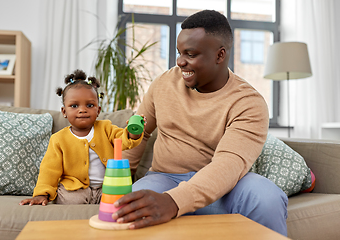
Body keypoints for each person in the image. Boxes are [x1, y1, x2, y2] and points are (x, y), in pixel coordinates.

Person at [111, 10, 288, 236]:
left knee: (267, 198)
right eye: (179, 52)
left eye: (190, 54)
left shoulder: (248, 103)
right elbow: (140, 132)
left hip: (226, 187)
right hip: (165, 179)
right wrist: (119, 181)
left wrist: (173, 202)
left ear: (220, 55)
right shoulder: (164, 83)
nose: (180, 61)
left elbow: (229, 164)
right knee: (131, 208)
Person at [19, 69, 144, 206]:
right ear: (64, 111)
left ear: (98, 110)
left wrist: (134, 132)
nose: (82, 110)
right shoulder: (58, 139)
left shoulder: (106, 128)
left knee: (120, 199)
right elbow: (49, 170)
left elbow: (123, 140)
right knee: (69, 198)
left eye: (90, 105)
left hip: (106, 186)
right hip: (75, 188)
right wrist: (41, 194)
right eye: (74, 106)